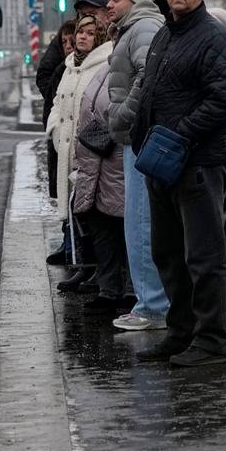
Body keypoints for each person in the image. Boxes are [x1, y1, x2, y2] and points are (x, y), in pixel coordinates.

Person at [130, 0, 226, 367]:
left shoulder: (213, 37)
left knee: (204, 257)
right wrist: (139, 135)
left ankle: (210, 340)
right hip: (161, 165)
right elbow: (148, 91)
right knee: (169, 254)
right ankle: (180, 333)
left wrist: (181, 132)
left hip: (198, 164)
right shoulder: (165, 34)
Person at [102, 0, 170, 332]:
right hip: (137, 137)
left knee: (141, 223)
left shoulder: (143, 27)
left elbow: (149, 76)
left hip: (140, 138)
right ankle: (153, 302)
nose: (109, 5)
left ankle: (153, 306)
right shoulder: (134, 28)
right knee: (141, 221)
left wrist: (123, 113)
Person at [45, 15, 114, 292]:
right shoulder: (70, 66)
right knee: (77, 213)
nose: (81, 37)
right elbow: (56, 104)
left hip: (91, 152)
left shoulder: (103, 66)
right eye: (79, 32)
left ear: (99, 37)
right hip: (68, 152)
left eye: (88, 33)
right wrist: (54, 131)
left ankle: (98, 271)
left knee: (93, 215)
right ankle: (83, 267)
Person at [72, 60, 133, 315]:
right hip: (95, 161)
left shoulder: (129, 68)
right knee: (102, 228)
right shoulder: (104, 69)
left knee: (127, 230)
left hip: (117, 161)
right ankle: (108, 290)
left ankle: (131, 290)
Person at [40, 20, 76, 266]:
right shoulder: (63, 67)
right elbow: (45, 81)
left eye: (71, 42)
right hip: (62, 139)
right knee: (66, 192)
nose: (68, 46)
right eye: (64, 42)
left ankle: (76, 251)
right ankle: (69, 246)